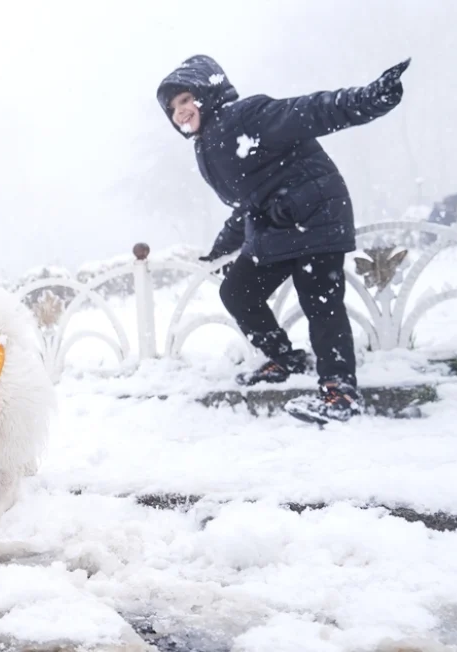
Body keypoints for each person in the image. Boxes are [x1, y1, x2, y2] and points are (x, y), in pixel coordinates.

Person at [156, 55, 410, 423]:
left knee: (320, 302)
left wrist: (370, 98)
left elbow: (311, 112)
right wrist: (220, 247)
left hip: (316, 216)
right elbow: (249, 200)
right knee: (237, 291)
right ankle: (286, 359)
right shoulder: (207, 144)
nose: (179, 112)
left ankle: (339, 391)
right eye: (172, 108)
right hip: (275, 227)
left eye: (185, 100)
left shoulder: (247, 116)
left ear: (207, 92)